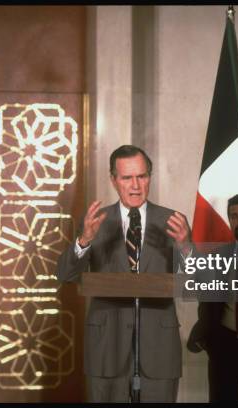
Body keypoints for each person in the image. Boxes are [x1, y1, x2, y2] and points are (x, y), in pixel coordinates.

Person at [55, 145, 192, 402]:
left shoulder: (174, 221)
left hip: (159, 347)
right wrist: (84, 240)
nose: (136, 185)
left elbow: (196, 283)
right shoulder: (95, 221)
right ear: (113, 180)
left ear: (150, 177)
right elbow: (65, 274)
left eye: (142, 176)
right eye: (127, 178)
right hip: (107, 346)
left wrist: (186, 247)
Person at [187, 193, 238, 402]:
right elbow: (207, 303)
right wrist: (212, 341)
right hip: (224, 347)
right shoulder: (216, 256)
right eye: (234, 216)